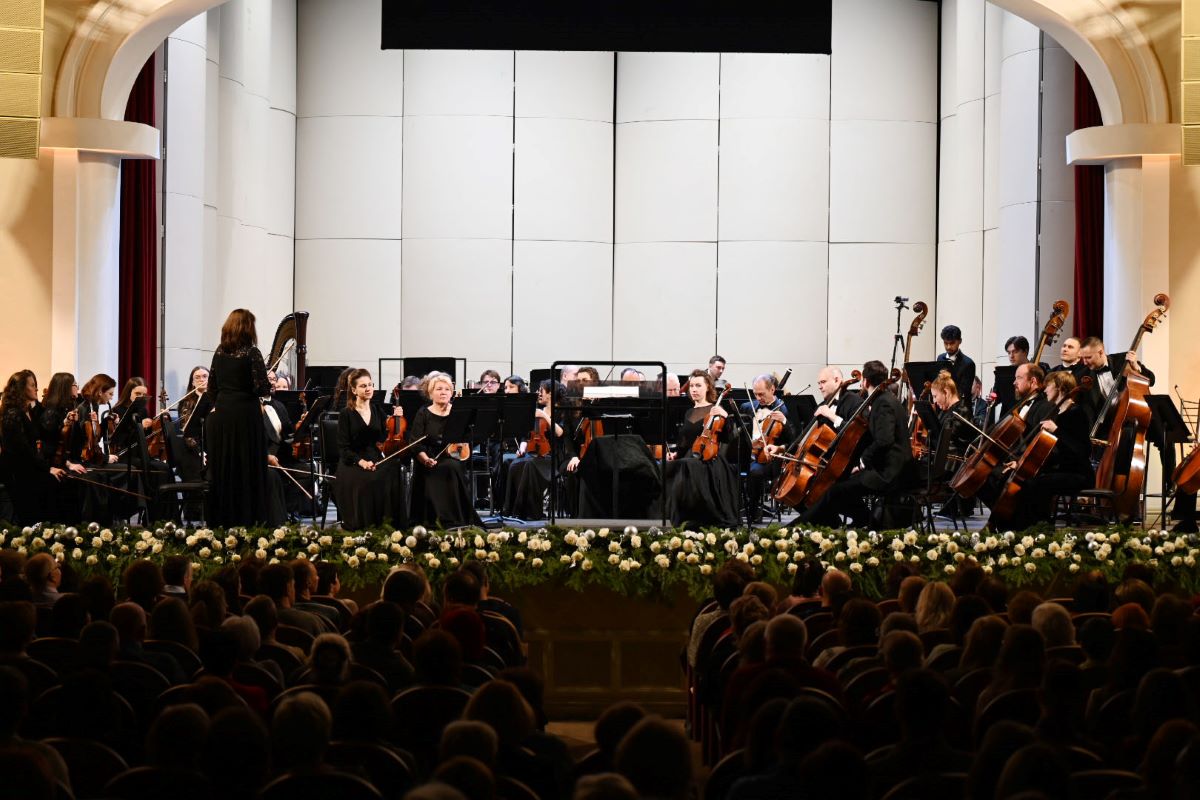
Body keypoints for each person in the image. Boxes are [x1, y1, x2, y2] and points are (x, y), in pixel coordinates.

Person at [803, 360, 916, 528]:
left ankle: (801, 525)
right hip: (889, 467)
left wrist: (862, 462)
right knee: (839, 485)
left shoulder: (883, 403)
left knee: (836, 490)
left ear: (865, 381)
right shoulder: (886, 399)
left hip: (889, 472)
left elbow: (884, 441)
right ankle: (865, 519)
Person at [992, 369, 1095, 529]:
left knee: (1034, 485)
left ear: (1060, 388)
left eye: (1049, 386)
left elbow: (1083, 451)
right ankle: (1013, 527)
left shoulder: (1076, 413)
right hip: (1059, 470)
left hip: (1078, 474)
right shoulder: (1057, 413)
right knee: (1022, 481)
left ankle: (1040, 529)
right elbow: (1049, 452)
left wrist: (1057, 431)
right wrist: (1020, 463)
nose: (1045, 389)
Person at [205, 308, 278, 527]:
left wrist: (225, 401)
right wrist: (268, 384)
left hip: (223, 416)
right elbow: (262, 389)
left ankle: (223, 520)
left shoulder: (219, 352)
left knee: (226, 467)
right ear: (247, 328)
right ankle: (249, 519)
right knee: (247, 467)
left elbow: (211, 389)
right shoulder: (252, 353)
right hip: (246, 416)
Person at [664, 370, 739, 528]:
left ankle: (696, 519)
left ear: (708, 388)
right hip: (689, 456)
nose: (694, 389)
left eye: (698, 385)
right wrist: (676, 453)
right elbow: (685, 442)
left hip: (709, 460)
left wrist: (725, 416)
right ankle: (674, 518)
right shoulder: (688, 412)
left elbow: (729, 437)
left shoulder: (715, 409)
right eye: (691, 386)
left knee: (687, 466)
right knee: (666, 467)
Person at [334, 368, 406, 530]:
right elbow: (343, 448)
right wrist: (361, 462)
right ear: (354, 390)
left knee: (394, 469)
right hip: (352, 461)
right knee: (368, 480)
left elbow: (384, 438)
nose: (368, 388)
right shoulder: (346, 414)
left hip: (375, 458)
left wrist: (396, 419)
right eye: (363, 386)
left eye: (370, 385)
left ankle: (389, 526)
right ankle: (367, 526)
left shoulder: (377, 410)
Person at [410, 372, 483, 529]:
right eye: (439, 389)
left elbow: (470, 438)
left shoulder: (459, 412)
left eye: (447, 389)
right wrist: (425, 459)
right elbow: (416, 443)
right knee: (442, 468)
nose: (443, 392)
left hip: (454, 455)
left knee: (451, 466)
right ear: (431, 393)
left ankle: (453, 518)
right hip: (428, 457)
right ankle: (436, 520)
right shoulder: (423, 413)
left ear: (452, 393)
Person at [503, 380, 577, 520]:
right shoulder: (537, 410)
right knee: (514, 465)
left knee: (530, 465)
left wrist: (545, 416)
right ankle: (514, 511)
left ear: (550, 394)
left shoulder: (562, 412)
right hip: (536, 454)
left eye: (541, 390)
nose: (538, 393)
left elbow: (560, 433)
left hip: (554, 456)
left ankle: (532, 513)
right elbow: (527, 435)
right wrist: (523, 447)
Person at [0, 371, 59, 524]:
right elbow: (23, 451)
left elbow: (43, 437)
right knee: (53, 484)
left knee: (60, 481)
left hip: (27, 467)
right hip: (17, 473)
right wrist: (47, 468)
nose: (36, 389)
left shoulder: (28, 411)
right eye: (32, 385)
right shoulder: (13, 414)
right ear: (21, 389)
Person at [741, 373, 791, 524]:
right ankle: (733, 510)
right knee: (728, 467)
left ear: (772, 389)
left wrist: (784, 421)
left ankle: (754, 510)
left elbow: (794, 440)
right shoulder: (747, 407)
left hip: (771, 458)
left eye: (761, 394)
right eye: (755, 394)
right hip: (749, 453)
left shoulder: (784, 409)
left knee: (755, 471)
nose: (758, 398)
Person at [936, 325, 976, 401]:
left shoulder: (968, 364)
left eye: (952, 343)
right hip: (943, 404)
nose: (948, 347)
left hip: (961, 406)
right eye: (945, 343)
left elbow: (965, 392)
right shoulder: (940, 358)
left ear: (960, 341)